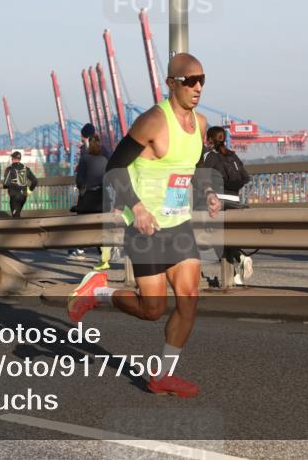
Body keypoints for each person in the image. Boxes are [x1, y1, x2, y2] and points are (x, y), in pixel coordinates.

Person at [68, 52, 221, 398]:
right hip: (146, 227)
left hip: (178, 223)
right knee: (153, 310)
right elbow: (115, 168)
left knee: (189, 301)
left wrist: (208, 191)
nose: (197, 87)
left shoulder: (199, 124)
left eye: (202, 80)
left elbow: (192, 167)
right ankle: (99, 292)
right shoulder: (152, 121)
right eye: (190, 81)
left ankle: (162, 376)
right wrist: (136, 207)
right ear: (171, 83)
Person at [199, 125, 253, 285]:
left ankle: (240, 259)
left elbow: (202, 177)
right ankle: (237, 274)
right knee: (228, 237)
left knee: (216, 239)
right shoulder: (233, 156)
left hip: (218, 201)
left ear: (209, 140)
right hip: (235, 201)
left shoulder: (209, 157)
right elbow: (245, 178)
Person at [75, 133, 111, 270]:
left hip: (89, 198)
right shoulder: (104, 159)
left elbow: (79, 180)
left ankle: (80, 247)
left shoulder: (85, 158)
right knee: (103, 226)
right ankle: (104, 257)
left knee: (82, 221)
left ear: (89, 143)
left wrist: (81, 189)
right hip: (103, 197)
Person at [2, 151, 38, 218]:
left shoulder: (9, 169)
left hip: (14, 196)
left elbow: (6, 184)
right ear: (20, 159)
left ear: (13, 159)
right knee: (17, 215)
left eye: (12, 158)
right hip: (23, 195)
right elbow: (35, 181)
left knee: (15, 217)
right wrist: (29, 191)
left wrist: (3, 186)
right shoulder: (26, 169)